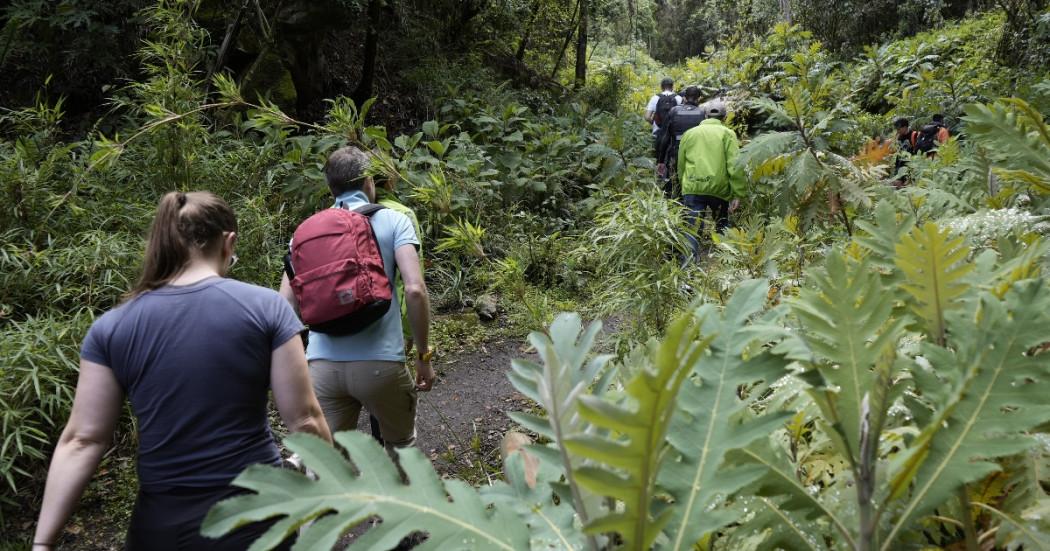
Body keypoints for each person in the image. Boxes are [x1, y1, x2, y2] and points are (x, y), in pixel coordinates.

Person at [33, 191, 332, 551]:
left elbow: (83, 440)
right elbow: (304, 419)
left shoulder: (112, 327)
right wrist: (339, 489)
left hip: (161, 528)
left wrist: (43, 543)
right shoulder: (265, 308)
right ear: (229, 242)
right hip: (256, 518)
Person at [279, 146, 434, 454]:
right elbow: (415, 290)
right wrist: (423, 355)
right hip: (381, 364)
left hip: (322, 367)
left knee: (328, 460)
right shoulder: (394, 221)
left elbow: (284, 306)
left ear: (330, 188)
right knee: (401, 447)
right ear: (369, 182)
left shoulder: (304, 233)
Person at [677, 101, 746, 260]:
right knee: (721, 224)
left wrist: (683, 184)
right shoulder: (727, 134)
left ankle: (688, 265)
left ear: (705, 116)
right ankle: (725, 261)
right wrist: (738, 193)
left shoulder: (690, 133)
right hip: (719, 189)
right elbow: (735, 165)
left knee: (692, 228)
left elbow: (681, 164)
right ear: (725, 117)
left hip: (693, 186)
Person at [655, 85, 706, 197]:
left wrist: (661, 161)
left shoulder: (674, 111)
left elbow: (665, 137)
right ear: (698, 98)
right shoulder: (702, 113)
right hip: (695, 154)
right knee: (692, 182)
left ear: (685, 98)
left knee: (674, 182)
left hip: (676, 152)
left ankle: (674, 202)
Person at [893, 118, 914, 187]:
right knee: (897, 184)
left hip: (910, 166)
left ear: (905, 127)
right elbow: (898, 153)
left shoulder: (913, 135)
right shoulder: (899, 137)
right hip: (900, 165)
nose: (897, 131)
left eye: (899, 129)